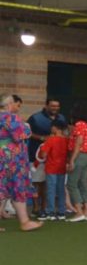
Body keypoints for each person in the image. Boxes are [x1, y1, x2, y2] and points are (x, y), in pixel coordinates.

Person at [0, 94, 43, 232]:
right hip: (11, 159)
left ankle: (25, 221)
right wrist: (25, 126)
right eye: (16, 104)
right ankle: (25, 222)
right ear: (9, 104)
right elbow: (21, 135)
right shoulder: (10, 117)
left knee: (2, 188)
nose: (17, 107)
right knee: (17, 188)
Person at [27, 98, 63, 216]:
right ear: (46, 106)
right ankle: (36, 208)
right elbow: (27, 132)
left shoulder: (61, 118)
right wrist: (42, 138)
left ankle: (45, 208)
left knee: (48, 184)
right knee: (36, 182)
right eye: (52, 106)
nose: (55, 108)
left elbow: (66, 132)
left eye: (57, 106)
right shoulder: (35, 118)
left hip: (54, 158)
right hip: (37, 155)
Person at [65, 104, 87, 223]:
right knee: (83, 183)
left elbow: (78, 142)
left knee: (72, 184)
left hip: (79, 155)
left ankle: (79, 212)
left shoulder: (79, 125)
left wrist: (72, 160)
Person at [37, 118, 71, 220]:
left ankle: (50, 212)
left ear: (55, 128)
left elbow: (43, 154)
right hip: (62, 167)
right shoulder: (66, 140)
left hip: (51, 167)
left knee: (51, 190)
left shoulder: (51, 139)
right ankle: (61, 212)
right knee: (61, 190)